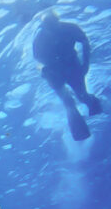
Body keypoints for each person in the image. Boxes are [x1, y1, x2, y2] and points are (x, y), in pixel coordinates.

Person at [32, 11, 103, 141]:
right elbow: (37, 61)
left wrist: (85, 64)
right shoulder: (39, 39)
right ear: (44, 27)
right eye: (49, 28)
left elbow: (85, 43)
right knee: (68, 102)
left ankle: (97, 108)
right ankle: (81, 135)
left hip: (72, 66)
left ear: (58, 22)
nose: (53, 30)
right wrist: (44, 70)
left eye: (54, 26)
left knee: (82, 96)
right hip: (53, 72)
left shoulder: (70, 28)